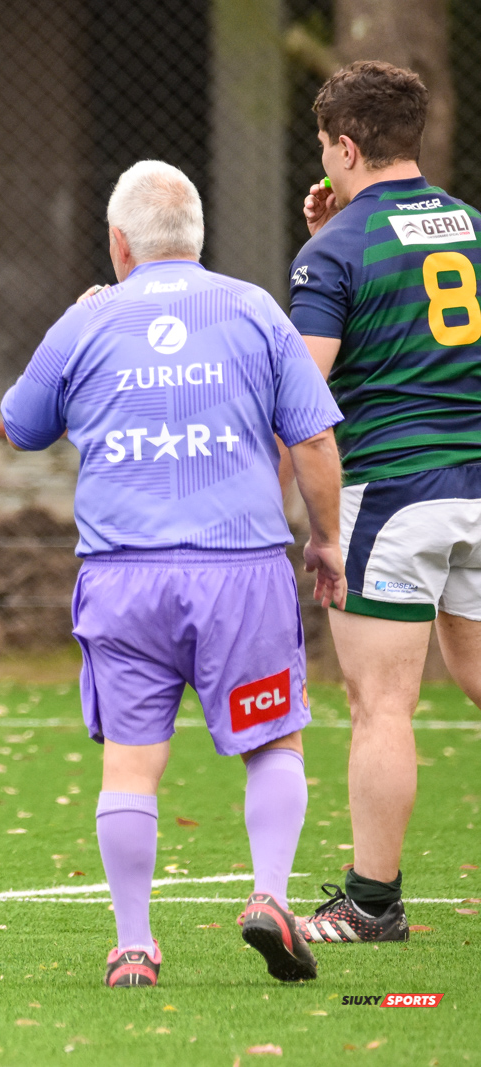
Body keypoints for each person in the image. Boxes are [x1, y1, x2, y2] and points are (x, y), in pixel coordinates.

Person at [1, 160, 347, 987]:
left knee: (131, 761)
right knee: (273, 740)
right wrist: (327, 539)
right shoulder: (254, 309)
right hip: (241, 574)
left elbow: (21, 424)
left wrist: (75, 322)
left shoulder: (90, 318)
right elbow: (312, 439)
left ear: (118, 243)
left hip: (124, 578)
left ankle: (133, 945)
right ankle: (270, 897)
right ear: (196, 237)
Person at [288, 61, 481, 943]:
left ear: (344, 146)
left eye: (322, 144)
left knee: (382, 704)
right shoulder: (471, 227)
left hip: (396, 493)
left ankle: (371, 903)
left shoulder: (335, 250)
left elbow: (302, 393)